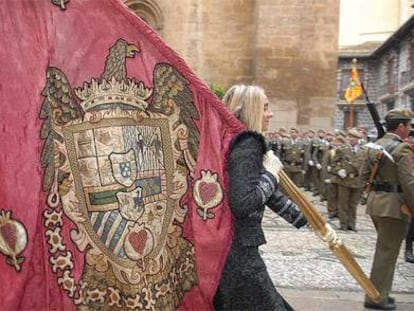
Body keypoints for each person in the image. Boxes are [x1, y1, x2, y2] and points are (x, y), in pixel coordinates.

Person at [213, 85, 307, 311]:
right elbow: (243, 202)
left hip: (228, 248)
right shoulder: (249, 142)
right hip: (239, 253)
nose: (270, 114)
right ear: (252, 110)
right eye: (265, 107)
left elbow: (265, 193)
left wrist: (303, 218)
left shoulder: (230, 139)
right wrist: (271, 174)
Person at [360, 108, 414, 310]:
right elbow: (409, 184)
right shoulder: (402, 149)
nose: (410, 129)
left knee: (385, 251)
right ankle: (376, 297)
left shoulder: (373, 146)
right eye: (408, 125)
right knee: (386, 253)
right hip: (394, 207)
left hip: (376, 204)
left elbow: (363, 176)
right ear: (400, 126)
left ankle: (380, 293)